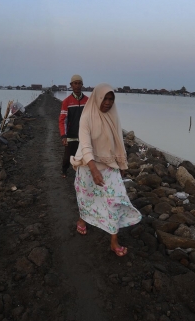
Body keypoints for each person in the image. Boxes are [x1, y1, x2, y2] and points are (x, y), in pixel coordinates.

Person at [70, 83, 142, 256]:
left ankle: (113, 240)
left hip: (109, 166)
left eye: (111, 99)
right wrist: (94, 170)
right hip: (88, 166)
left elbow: (118, 142)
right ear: (97, 98)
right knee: (86, 196)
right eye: (105, 98)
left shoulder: (113, 116)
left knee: (115, 199)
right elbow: (85, 145)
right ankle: (82, 218)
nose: (108, 103)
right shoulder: (86, 117)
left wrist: (122, 164)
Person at [59, 74, 88, 178]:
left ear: (82, 85)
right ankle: (64, 170)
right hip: (71, 134)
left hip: (84, 135)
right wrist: (63, 136)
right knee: (68, 156)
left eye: (79, 83)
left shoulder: (88, 101)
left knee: (84, 155)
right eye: (75, 83)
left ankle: (81, 173)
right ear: (71, 85)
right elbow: (62, 120)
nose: (77, 85)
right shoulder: (66, 101)